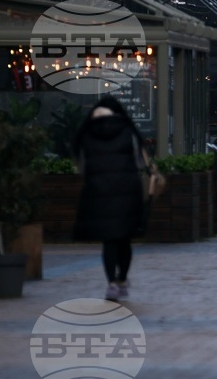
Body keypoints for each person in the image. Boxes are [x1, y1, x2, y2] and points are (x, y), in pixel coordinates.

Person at [72, 97, 149, 302]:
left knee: (109, 241)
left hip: (99, 193)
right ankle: (122, 278)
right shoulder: (128, 129)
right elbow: (140, 162)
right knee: (125, 239)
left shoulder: (86, 132)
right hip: (127, 191)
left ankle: (111, 283)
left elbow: (82, 167)